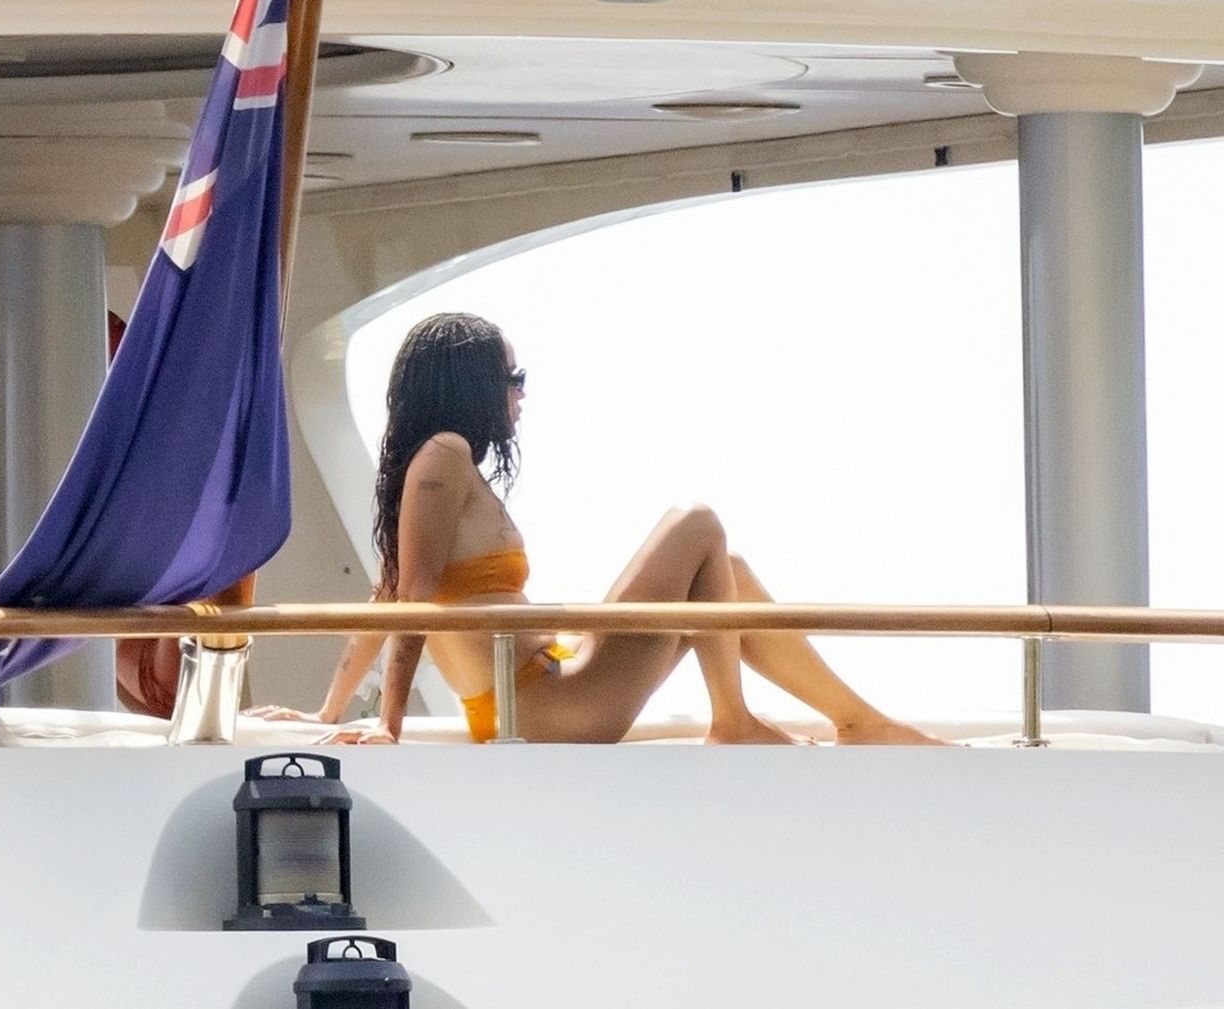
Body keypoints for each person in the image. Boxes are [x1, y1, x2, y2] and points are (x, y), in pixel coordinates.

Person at [256, 311, 943, 746]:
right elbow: (409, 601)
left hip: (546, 686)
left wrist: (329, 710)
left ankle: (857, 720)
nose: (521, 391)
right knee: (696, 521)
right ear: (471, 385)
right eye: (512, 376)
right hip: (541, 705)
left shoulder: (442, 463)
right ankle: (736, 721)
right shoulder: (445, 455)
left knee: (726, 575)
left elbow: (384, 595)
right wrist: (387, 722)